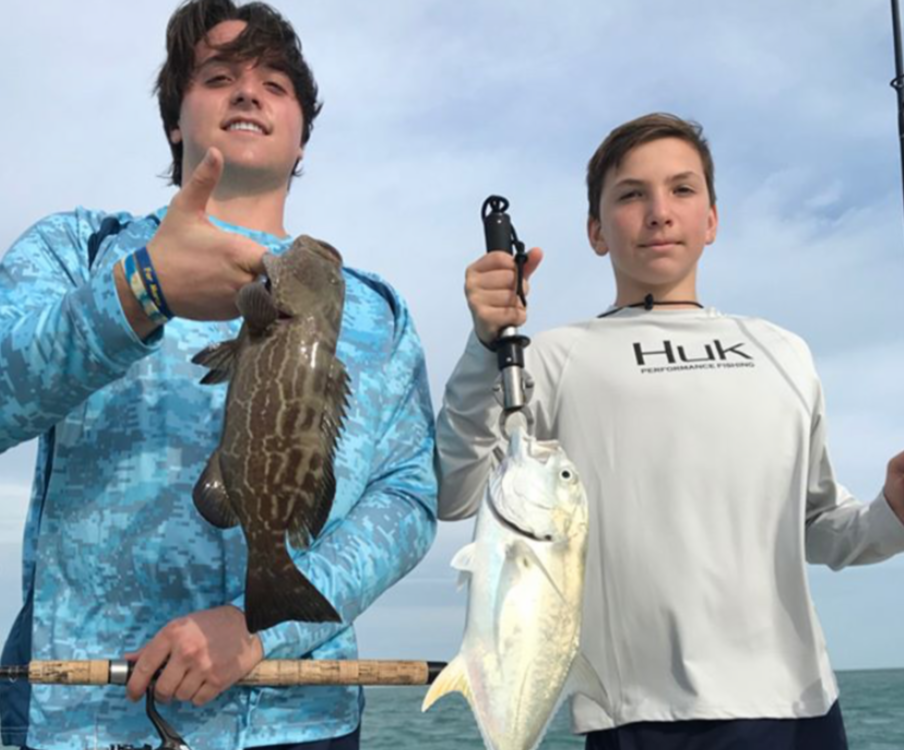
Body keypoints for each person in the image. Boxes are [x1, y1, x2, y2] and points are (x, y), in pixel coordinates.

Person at [0, 1, 437, 749]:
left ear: (302, 135)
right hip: (90, 720)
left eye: (275, 82)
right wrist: (139, 293)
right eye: (219, 76)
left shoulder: (377, 311)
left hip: (302, 719)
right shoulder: (80, 253)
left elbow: (408, 498)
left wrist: (263, 631)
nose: (248, 92)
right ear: (176, 120)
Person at [436, 112, 904, 750]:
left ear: (712, 219)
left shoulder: (783, 351)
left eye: (683, 190)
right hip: (633, 718)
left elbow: (819, 527)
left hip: (797, 708)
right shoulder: (550, 355)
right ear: (597, 231)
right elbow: (455, 491)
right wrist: (481, 346)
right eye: (631, 195)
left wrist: (893, 512)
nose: (659, 211)